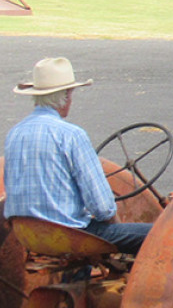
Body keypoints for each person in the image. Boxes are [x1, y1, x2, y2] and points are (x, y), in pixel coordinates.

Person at [3, 58, 151, 253]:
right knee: (159, 233)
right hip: (68, 235)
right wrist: (116, 227)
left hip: (28, 233)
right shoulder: (71, 135)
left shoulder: (14, 133)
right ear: (66, 95)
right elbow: (102, 206)